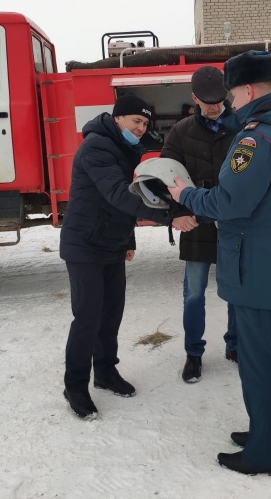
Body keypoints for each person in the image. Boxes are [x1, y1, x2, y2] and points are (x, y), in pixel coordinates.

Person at [168, 51, 271, 476]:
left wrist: (185, 195)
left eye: (232, 93)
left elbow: (230, 201)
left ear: (247, 90)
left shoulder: (256, 140)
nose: (229, 102)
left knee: (260, 362)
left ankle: (266, 453)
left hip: (257, 269)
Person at [60, 92, 195, 420]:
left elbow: (128, 195)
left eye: (145, 123)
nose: (140, 128)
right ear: (117, 117)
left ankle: (105, 372)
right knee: (88, 317)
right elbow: (118, 194)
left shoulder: (123, 148)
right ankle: (75, 386)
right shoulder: (96, 147)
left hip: (110, 243)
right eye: (136, 121)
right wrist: (169, 218)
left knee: (111, 315)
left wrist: (128, 238)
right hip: (85, 245)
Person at [160, 65, 238, 384]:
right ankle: (194, 354)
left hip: (234, 220)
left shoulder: (242, 126)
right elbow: (166, 176)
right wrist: (176, 213)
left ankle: (236, 345)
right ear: (194, 98)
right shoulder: (180, 131)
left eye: (219, 98)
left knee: (236, 290)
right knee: (194, 292)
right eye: (207, 100)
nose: (214, 105)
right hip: (195, 220)